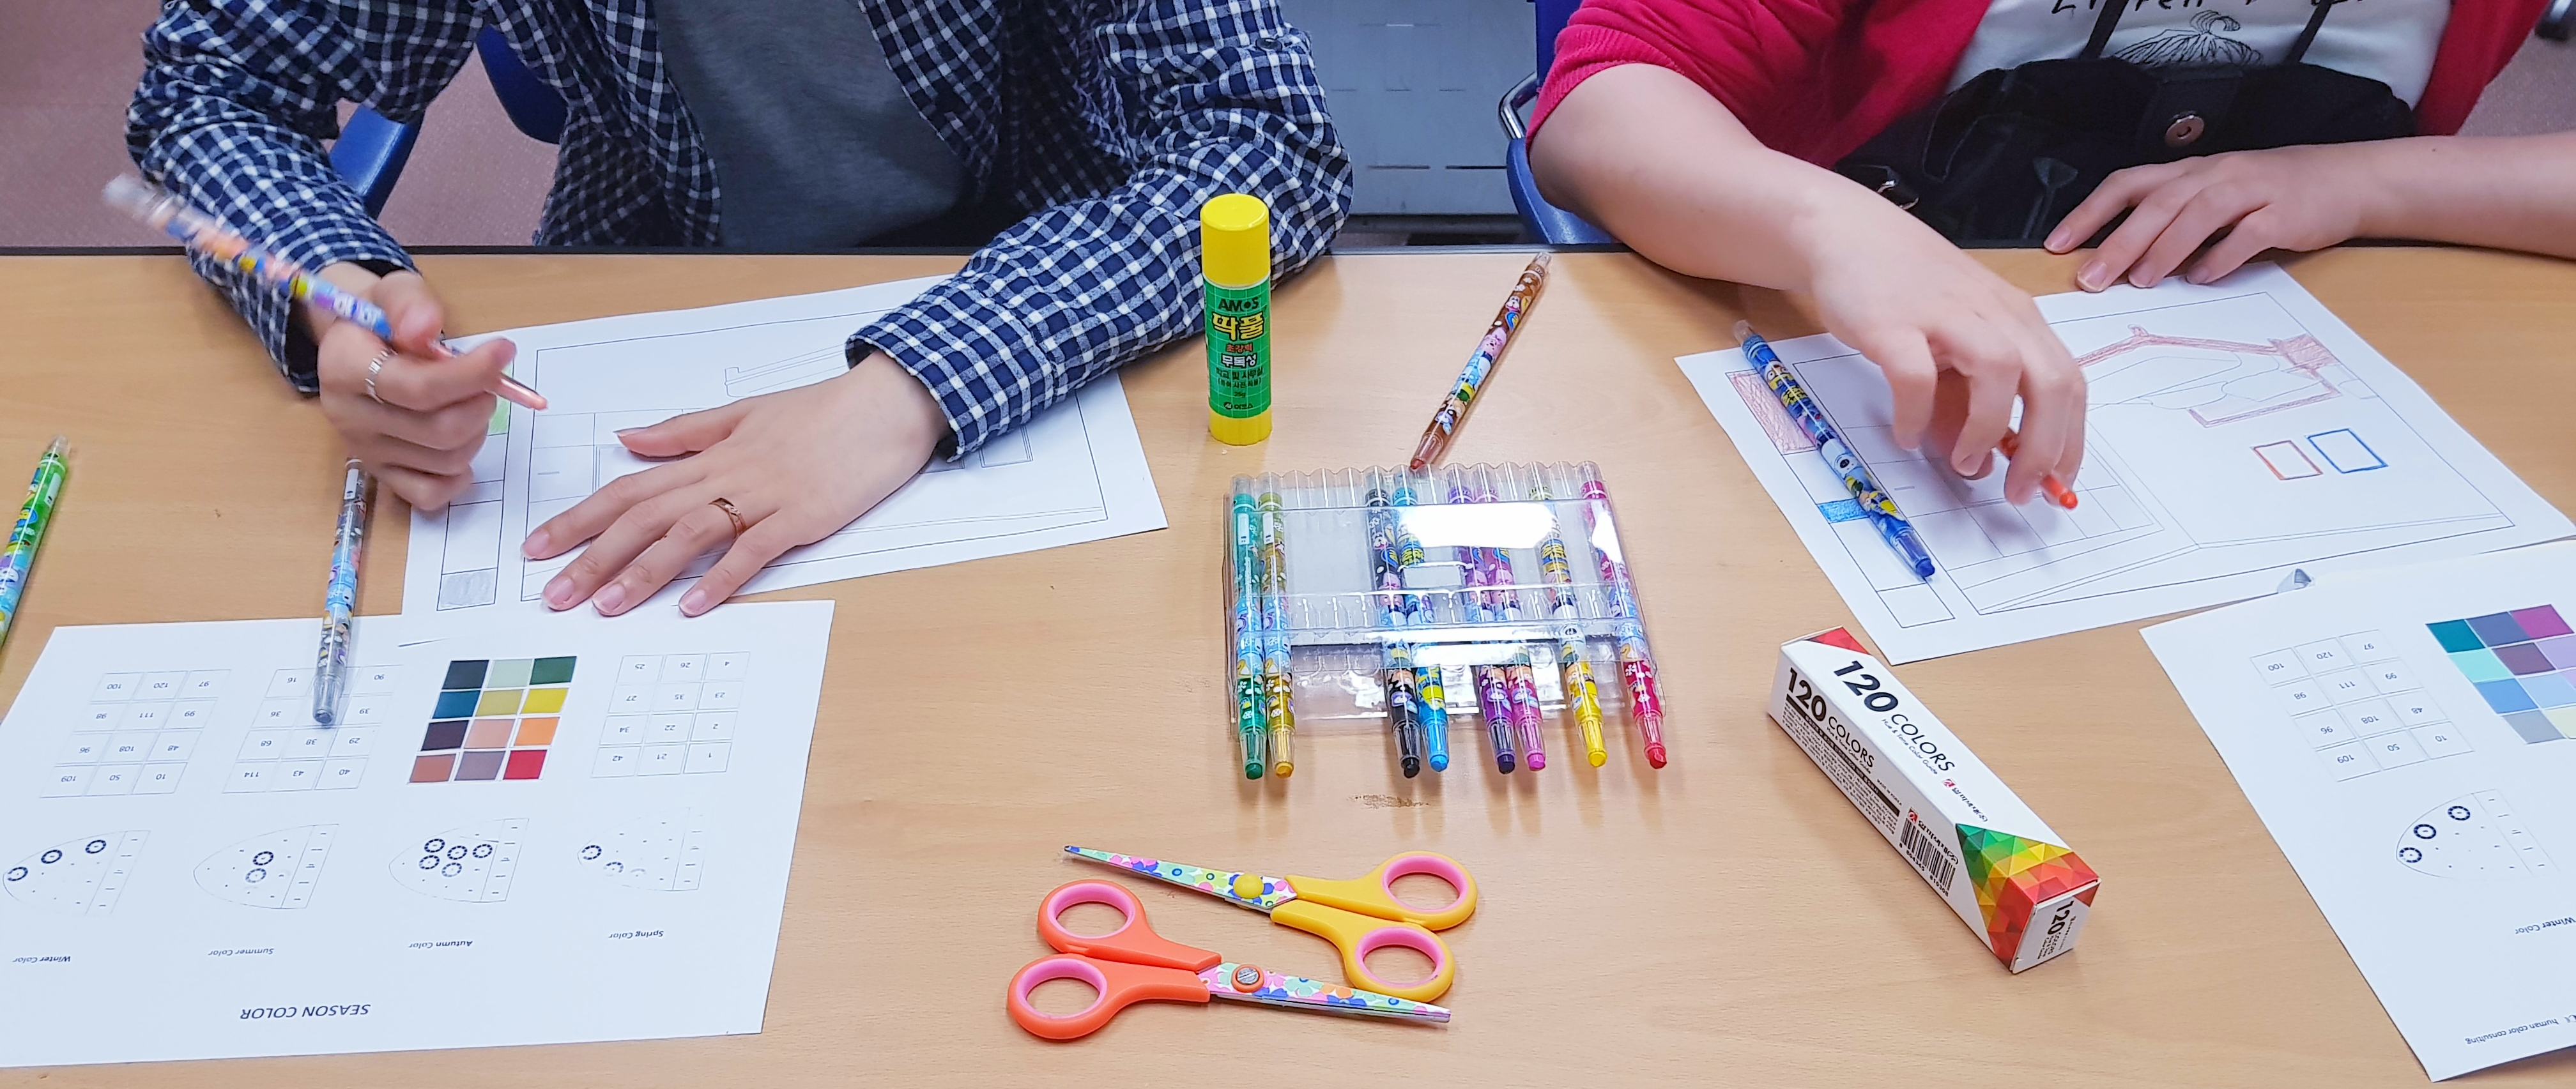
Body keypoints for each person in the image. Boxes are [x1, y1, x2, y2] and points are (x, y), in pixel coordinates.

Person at [128, 0, 1350, 614]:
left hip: (1042, 247)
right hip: (668, 257)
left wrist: (913, 384)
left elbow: (1267, 140)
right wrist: (336, 294)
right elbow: (206, 88)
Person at [1526, 0, 2571, 506]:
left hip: (2310, 386)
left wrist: (2373, 181)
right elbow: (1599, 105)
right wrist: (1824, 226)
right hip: (1863, 383)